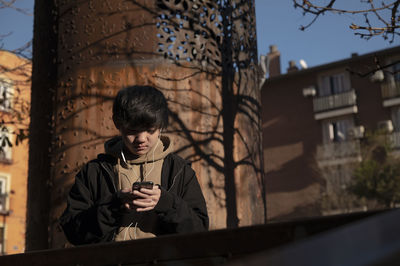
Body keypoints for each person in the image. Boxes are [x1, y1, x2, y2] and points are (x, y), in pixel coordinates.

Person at [60, 85, 209, 245]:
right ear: (118, 124)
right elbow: (73, 232)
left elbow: (199, 230)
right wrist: (114, 206)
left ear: (161, 127)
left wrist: (166, 202)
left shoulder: (179, 171)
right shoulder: (95, 171)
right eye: (132, 131)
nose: (141, 139)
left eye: (150, 131)